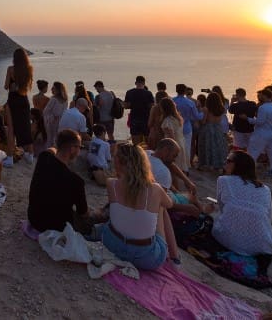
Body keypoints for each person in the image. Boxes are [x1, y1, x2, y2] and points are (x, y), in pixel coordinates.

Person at [101, 142, 174, 270]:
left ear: (118, 162)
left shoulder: (111, 184)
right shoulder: (155, 189)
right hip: (146, 258)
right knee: (161, 207)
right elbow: (170, 204)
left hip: (112, 245)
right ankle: (175, 257)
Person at [212, 151, 272, 256]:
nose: (225, 162)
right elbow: (268, 216)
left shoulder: (223, 180)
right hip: (260, 243)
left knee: (213, 216)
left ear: (238, 165)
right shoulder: (265, 189)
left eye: (229, 161)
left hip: (229, 238)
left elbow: (222, 208)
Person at [27, 129, 90, 232]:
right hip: (56, 227)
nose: (80, 151)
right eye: (80, 147)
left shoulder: (44, 157)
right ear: (72, 149)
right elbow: (83, 213)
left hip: (34, 219)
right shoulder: (76, 181)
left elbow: (51, 150)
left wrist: (58, 149)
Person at [243, 88, 272, 179]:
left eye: (261, 95)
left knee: (252, 152)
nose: (259, 96)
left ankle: (247, 173)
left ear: (265, 96)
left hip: (262, 134)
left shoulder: (263, 107)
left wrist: (247, 119)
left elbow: (260, 122)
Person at [4, 48, 34, 162]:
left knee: (11, 129)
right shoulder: (29, 69)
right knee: (26, 125)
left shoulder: (10, 69)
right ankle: (30, 155)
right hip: (24, 100)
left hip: (13, 100)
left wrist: (12, 85)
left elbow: (6, 86)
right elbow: (26, 86)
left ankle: (10, 158)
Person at [173, 84, 203, 173]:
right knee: (187, 147)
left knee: (175, 145)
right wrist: (203, 113)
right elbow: (196, 116)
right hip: (186, 126)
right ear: (185, 91)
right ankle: (185, 167)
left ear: (176, 90)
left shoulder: (172, 101)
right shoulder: (190, 103)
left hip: (175, 127)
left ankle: (176, 164)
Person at [197, 92, 228, 172]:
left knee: (206, 147)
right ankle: (218, 165)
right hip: (218, 128)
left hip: (208, 129)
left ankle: (205, 164)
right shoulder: (221, 109)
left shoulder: (206, 109)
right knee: (217, 147)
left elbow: (203, 122)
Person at [124, 76, 155, 145]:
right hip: (146, 119)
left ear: (135, 83)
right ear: (144, 83)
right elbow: (152, 107)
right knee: (147, 143)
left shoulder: (129, 92)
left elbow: (126, 106)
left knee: (136, 144)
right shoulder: (148, 93)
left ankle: (138, 155)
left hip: (134, 119)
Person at [159, 97, 186, 172]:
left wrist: (170, 149)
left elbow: (171, 136)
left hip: (172, 145)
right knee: (178, 167)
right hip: (181, 143)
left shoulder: (168, 121)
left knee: (172, 167)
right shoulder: (178, 118)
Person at [43, 81, 68, 148]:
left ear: (57, 89)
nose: (51, 89)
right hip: (62, 121)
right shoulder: (65, 100)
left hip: (53, 121)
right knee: (58, 139)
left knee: (50, 139)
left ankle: (49, 152)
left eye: (53, 88)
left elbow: (45, 111)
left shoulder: (53, 99)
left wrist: (52, 117)